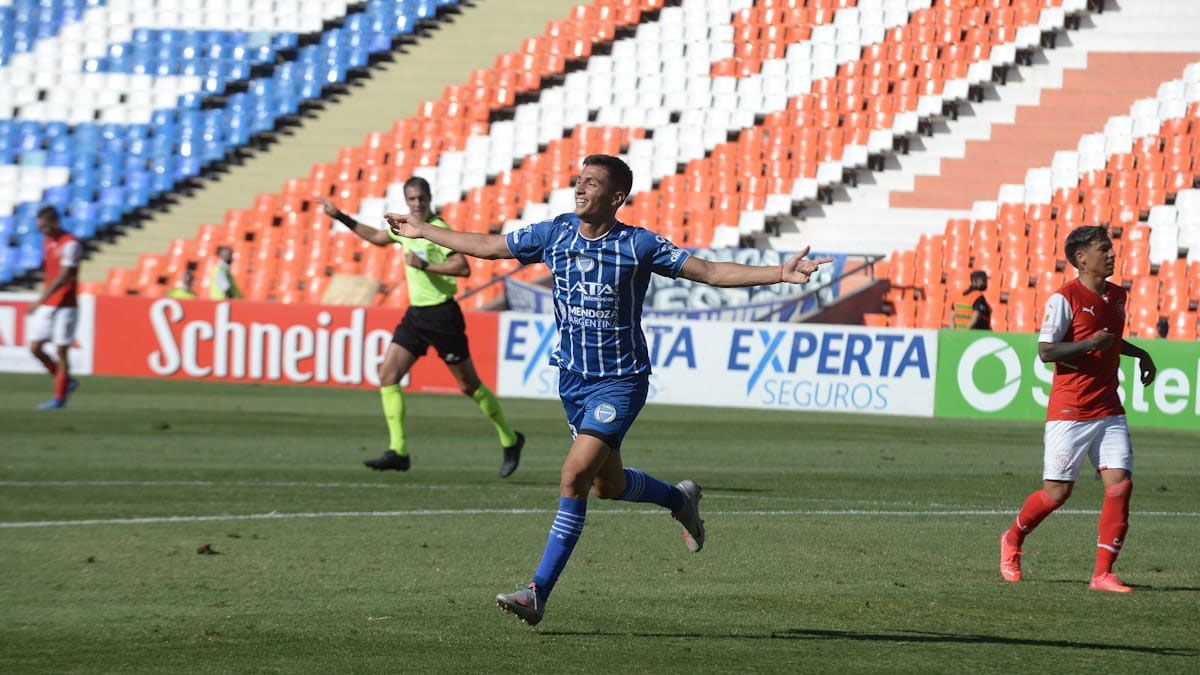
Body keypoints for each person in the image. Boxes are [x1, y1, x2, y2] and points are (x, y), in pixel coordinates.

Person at [384, 155, 831, 626]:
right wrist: (423, 231)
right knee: (607, 485)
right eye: (578, 180)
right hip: (573, 381)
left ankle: (537, 591)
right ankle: (680, 501)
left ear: (616, 198)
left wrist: (778, 274)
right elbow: (489, 246)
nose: (580, 188)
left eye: (592, 183)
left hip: (620, 382)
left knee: (573, 476)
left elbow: (709, 271)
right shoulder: (555, 233)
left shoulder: (637, 244)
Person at [318, 177, 524, 477]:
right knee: (388, 375)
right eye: (412, 199)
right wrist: (340, 216)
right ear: (406, 200)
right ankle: (398, 450)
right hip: (416, 315)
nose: (417, 204)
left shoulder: (438, 231)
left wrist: (425, 266)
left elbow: (462, 268)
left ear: (430, 198)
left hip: (443, 316)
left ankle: (510, 438)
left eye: (421, 199)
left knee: (468, 386)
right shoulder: (404, 228)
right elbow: (377, 237)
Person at [999, 225, 1156, 593]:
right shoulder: (1063, 298)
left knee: (1119, 485)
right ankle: (1011, 540)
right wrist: (1088, 345)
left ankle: (1102, 574)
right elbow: (1046, 352)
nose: (1113, 254)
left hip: (1108, 407)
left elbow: (1111, 340)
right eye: (1104, 249)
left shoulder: (1117, 296)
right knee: (1057, 493)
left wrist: (1140, 353)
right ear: (1081, 259)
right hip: (1070, 410)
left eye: (1112, 248)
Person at [27, 206, 81, 410]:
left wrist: (40, 299)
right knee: (35, 348)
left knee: (62, 350)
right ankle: (67, 381)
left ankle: (59, 398)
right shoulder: (47, 240)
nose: (43, 231)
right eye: (40, 227)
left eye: (45, 227)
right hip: (49, 303)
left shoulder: (71, 244)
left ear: (55, 223)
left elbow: (64, 275)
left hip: (66, 304)